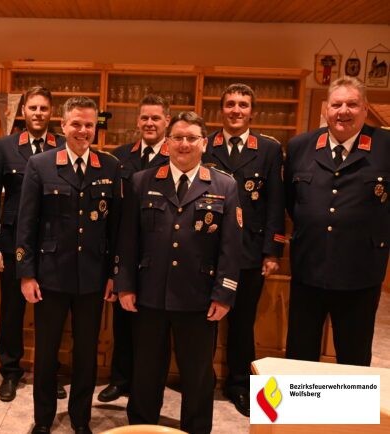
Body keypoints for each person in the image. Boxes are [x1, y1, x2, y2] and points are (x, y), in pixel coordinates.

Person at [116, 111, 242, 434]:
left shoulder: (224, 185)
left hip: (199, 297)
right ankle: (141, 428)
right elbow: (128, 239)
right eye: (178, 138)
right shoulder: (142, 181)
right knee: (146, 371)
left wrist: (224, 294)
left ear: (204, 143)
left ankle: (196, 429)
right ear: (167, 143)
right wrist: (125, 284)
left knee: (198, 375)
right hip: (150, 294)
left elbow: (231, 247)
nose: (184, 144)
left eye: (191, 138)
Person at [15, 97, 121, 434]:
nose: (83, 131)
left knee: (86, 354)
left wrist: (114, 275)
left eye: (89, 125)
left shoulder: (109, 166)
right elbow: (26, 224)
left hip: (92, 277)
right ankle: (43, 419)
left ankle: (80, 419)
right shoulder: (41, 164)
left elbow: (115, 228)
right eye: (76, 123)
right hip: (50, 276)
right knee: (46, 354)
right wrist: (26, 274)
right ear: (62, 126)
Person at [285, 76, 389, 367]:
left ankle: (346, 401)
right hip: (308, 268)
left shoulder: (385, 146)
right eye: (336, 104)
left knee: (353, 358)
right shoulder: (301, 146)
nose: (343, 111)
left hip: (361, 272)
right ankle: (301, 400)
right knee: (299, 356)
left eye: (352, 104)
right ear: (326, 110)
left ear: (365, 109)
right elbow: (291, 201)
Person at [202, 83, 285, 416]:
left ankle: (239, 384)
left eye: (243, 104)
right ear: (221, 109)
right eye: (231, 104)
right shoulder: (205, 145)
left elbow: (275, 202)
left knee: (242, 322)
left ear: (252, 111)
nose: (236, 110)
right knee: (204, 319)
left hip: (249, 250)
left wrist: (272, 251)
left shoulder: (268, 149)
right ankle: (201, 379)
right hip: (207, 249)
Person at [0, 86, 67, 402]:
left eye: (43, 108)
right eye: (33, 107)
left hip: (51, 244)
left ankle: (49, 371)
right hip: (12, 242)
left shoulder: (63, 146)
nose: (38, 113)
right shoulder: (5, 147)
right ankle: (10, 372)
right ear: (23, 111)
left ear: (51, 112)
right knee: (11, 310)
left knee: (52, 314)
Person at [98, 94, 171, 403]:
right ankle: (120, 380)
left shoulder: (176, 154)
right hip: (125, 248)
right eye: (145, 118)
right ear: (138, 121)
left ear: (167, 121)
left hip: (159, 251)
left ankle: (148, 385)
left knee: (154, 326)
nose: (149, 123)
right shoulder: (120, 156)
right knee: (122, 320)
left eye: (156, 118)